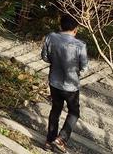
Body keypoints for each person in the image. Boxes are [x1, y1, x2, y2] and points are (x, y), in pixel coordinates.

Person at [41, 13, 88, 152]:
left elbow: (44, 57)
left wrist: (55, 62)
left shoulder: (50, 37)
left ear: (60, 25)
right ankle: (61, 139)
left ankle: (49, 141)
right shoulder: (80, 45)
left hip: (54, 82)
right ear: (76, 29)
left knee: (55, 109)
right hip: (71, 85)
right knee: (74, 112)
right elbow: (84, 67)